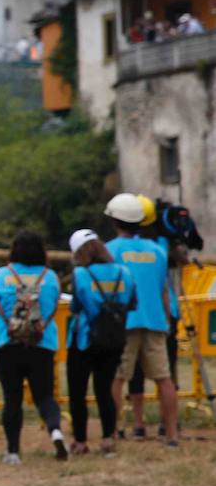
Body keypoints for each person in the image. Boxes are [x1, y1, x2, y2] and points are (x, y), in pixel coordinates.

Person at [0, 230, 67, 464]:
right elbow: (54, 304)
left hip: (6, 342)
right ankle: (55, 431)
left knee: (12, 398)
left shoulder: (0, 275)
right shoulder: (50, 277)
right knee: (45, 396)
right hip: (42, 343)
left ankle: (12, 452)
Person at [105, 193, 179, 448]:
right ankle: (171, 435)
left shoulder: (110, 250)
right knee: (164, 378)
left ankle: (112, 433)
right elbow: (163, 291)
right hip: (155, 321)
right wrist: (167, 322)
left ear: (115, 221)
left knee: (117, 378)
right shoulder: (157, 251)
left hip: (123, 323)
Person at [65, 229, 133, 457]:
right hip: (114, 339)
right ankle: (107, 439)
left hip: (84, 338)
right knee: (104, 390)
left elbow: (75, 306)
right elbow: (132, 303)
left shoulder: (81, 275)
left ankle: (81, 441)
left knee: (78, 392)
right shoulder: (124, 273)